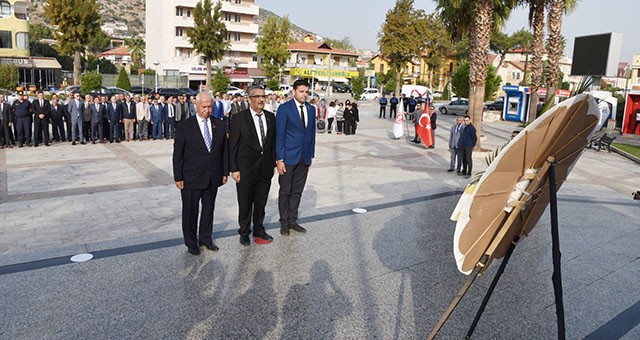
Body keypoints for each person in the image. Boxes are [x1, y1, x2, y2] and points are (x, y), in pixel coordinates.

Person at [173, 91, 229, 255]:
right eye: (204, 106)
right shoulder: (185, 126)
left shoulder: (218, 124)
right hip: (191, 177)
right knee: (190, 211)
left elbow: (223, 151)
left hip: (213, 176)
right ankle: (191, 242)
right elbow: (178, 154)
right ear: (196, 106)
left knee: (208, 209)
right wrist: (178, 177)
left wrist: (224, 172)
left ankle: (206, 238)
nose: (207, 110)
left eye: (210, 106)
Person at [229, 86, 276, 246]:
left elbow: (272, 143)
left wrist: (274, 162)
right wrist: (234, 169)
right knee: (245, 203)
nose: (261, 99)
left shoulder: (270, 117)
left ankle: (259, 229)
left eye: (263, 96)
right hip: (245, 169)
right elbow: (233, 146)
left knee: (261, 202)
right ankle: (244, 232)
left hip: (265, 169)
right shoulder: (239, 118)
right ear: (249, 99)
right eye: (257, 96)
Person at [275, 79, 316, 236]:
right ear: (294, 91)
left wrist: (310, 155)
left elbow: (311, 134)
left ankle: (293, 220)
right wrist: (279, 159)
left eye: (306, 92)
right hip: (288, 157)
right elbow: (280, 135)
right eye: (301, 91)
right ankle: (284, 222)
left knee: (297, 191)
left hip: (304, 158)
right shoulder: (284, 109)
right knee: (285, 191)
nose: (304, 94)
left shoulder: (311, 109)